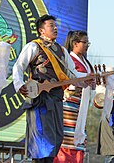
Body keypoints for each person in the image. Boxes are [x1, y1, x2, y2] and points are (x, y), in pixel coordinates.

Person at [12, 15, 90, 163]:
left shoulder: (61, 51)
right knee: (42, 140)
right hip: (40, 98)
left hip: (56, 99)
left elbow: (72, 74)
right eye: (51, 25)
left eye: (55, 25)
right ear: (41, 30)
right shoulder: (34, 46)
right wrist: (19, 84)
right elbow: (18, 66)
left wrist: (88, 78)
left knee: (56, 137)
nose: (55, 28)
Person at [54, 30, 94, 163]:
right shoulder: (69, 59)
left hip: (81, 105)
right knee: (67, 139)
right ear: (75, 43)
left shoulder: (86, 62)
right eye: (85, 42)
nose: (87, 45)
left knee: (79, 137)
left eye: (88, 42)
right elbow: (65, 79)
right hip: (69, 103)